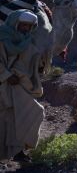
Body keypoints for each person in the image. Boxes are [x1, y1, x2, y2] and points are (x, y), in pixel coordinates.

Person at [0, 10, 44, 162]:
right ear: (16, 23)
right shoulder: (3, 37)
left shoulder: (28, 40)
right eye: (23, 24)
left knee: (32, 112)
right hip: (5, 84)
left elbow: (33, 60)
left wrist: (39, 66)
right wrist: (6, 75)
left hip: (22, 84)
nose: (25, 28)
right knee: (6, 119)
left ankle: (19, 150)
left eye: (29, 25)